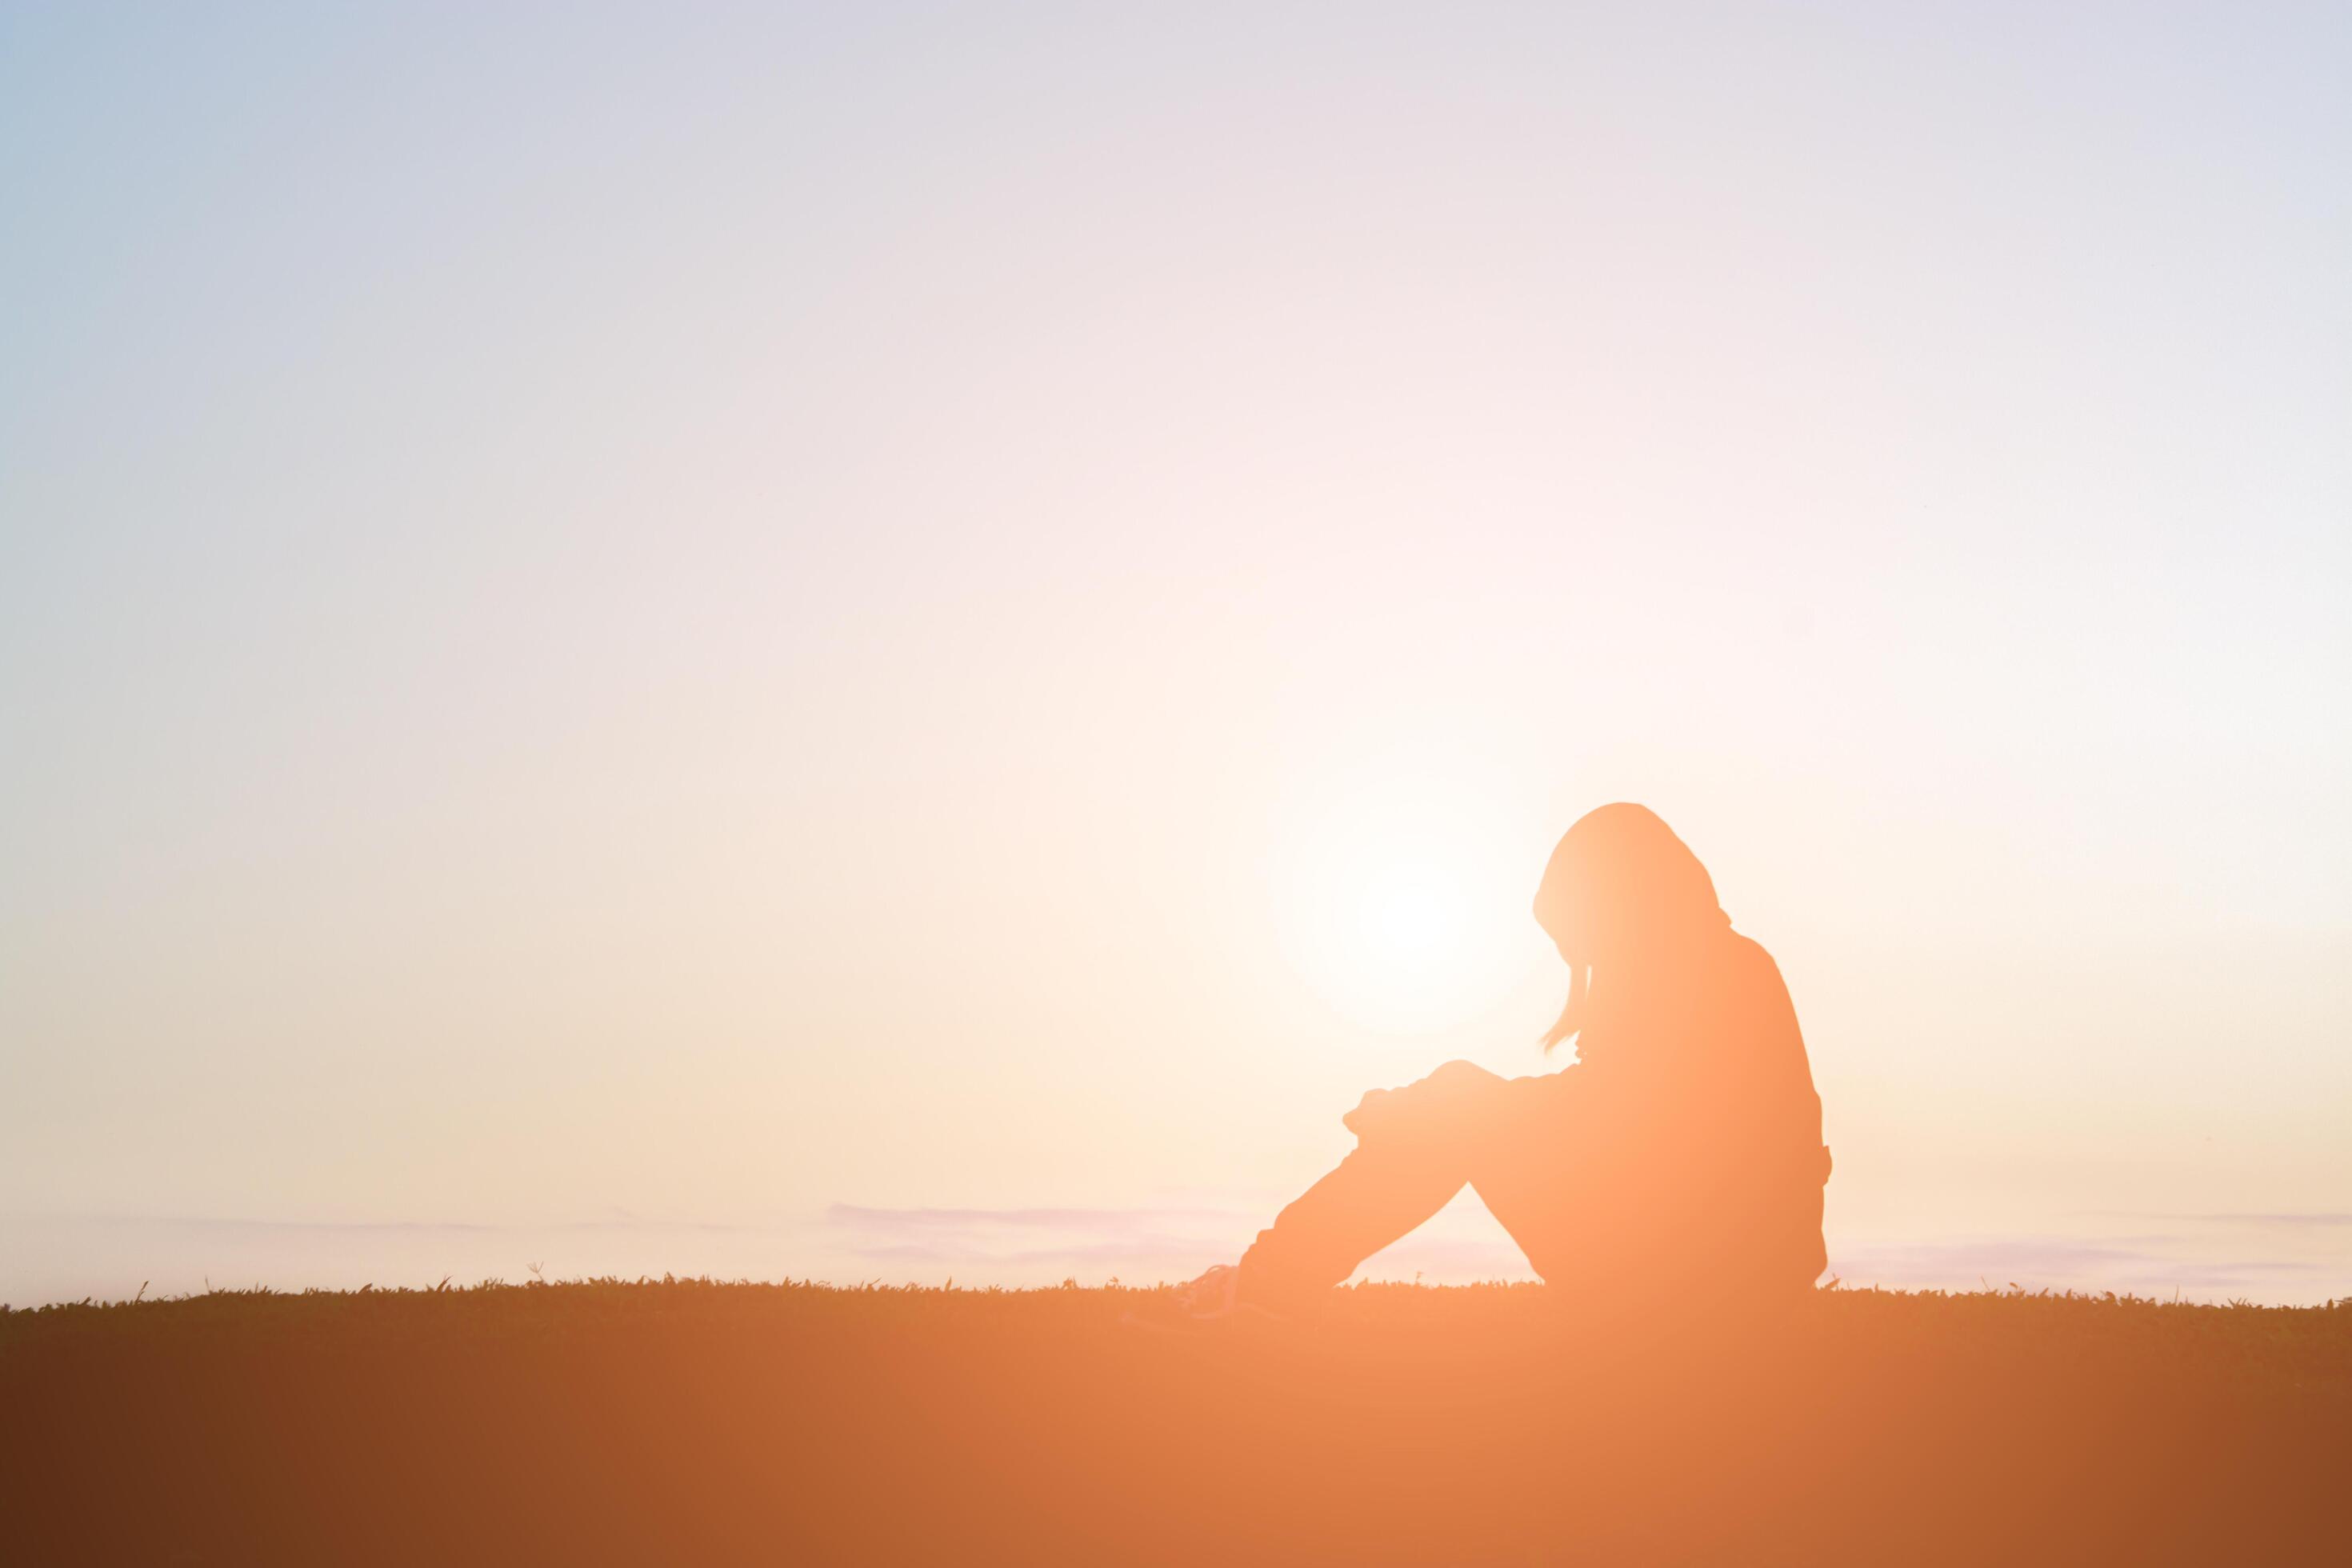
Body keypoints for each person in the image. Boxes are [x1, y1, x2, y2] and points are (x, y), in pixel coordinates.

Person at [1182, 802, 1830, 1320]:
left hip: (1702, 1281)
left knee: (1457, 1101)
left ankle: (1266, 1284)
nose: (1585, 962)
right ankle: (1269, 1280)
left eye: (1586, 937)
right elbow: (1608, 1114)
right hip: (1739, 1275)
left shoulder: (1696, 973)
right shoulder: (1723, 962)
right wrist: (1432, 1109)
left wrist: (1428, 1109)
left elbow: (1613, 1122)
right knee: (1455, 1103)